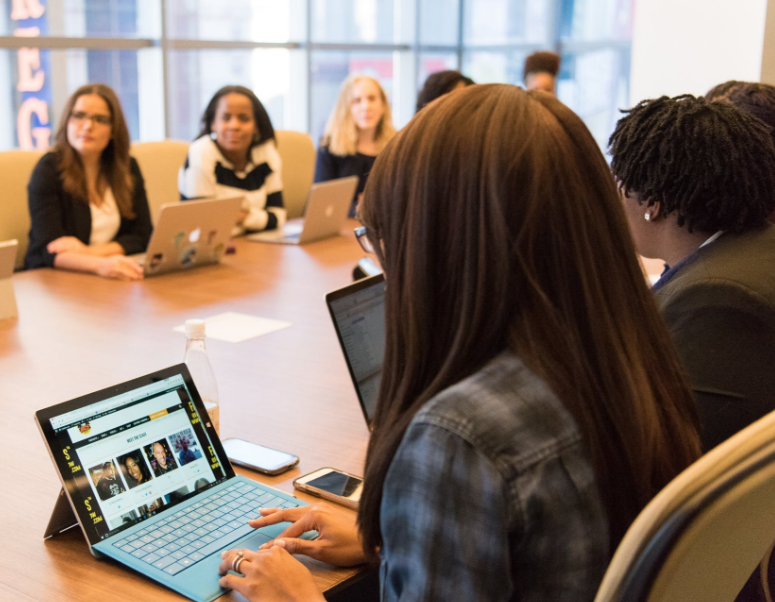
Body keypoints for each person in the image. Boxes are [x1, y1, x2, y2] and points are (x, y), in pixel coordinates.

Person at [216, 84, 701, 601]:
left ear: (442, 245)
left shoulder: (460, 437)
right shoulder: (628, 356)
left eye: (383, 241)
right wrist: (398, 545)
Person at [609, 94, 775, 452]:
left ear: (653, 203)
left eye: (619, 184)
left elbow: (690, 447)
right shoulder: (754, 246)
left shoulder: (717, 298)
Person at [25, 84, 152, 280]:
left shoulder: (127, 168)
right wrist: (100, 264)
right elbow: (49, 249)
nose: (87, 126)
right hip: (55, 281)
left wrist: (88, 252)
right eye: (78, 115)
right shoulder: (48, 169)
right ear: (67, 120)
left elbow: (142, 236)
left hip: (110, 276)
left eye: (100, 119)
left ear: (113, 130)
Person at [178, 86, 284, 234]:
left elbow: (279, 216)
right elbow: (203, 225)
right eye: (225, 118)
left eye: (244, 118)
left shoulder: (266, 153)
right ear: (213, 124)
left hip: (255, 245)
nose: (234, 126)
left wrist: (242, 217)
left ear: (256, 126)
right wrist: (257, 218)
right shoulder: (202, 151)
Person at [314, 75, 397, 217]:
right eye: (357, 101)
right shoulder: (329, 145)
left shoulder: (395, 146)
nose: (366, 107)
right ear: (346, 108)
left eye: (372, 99)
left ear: (383, 105)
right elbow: (321, 204)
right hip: (340, 228)